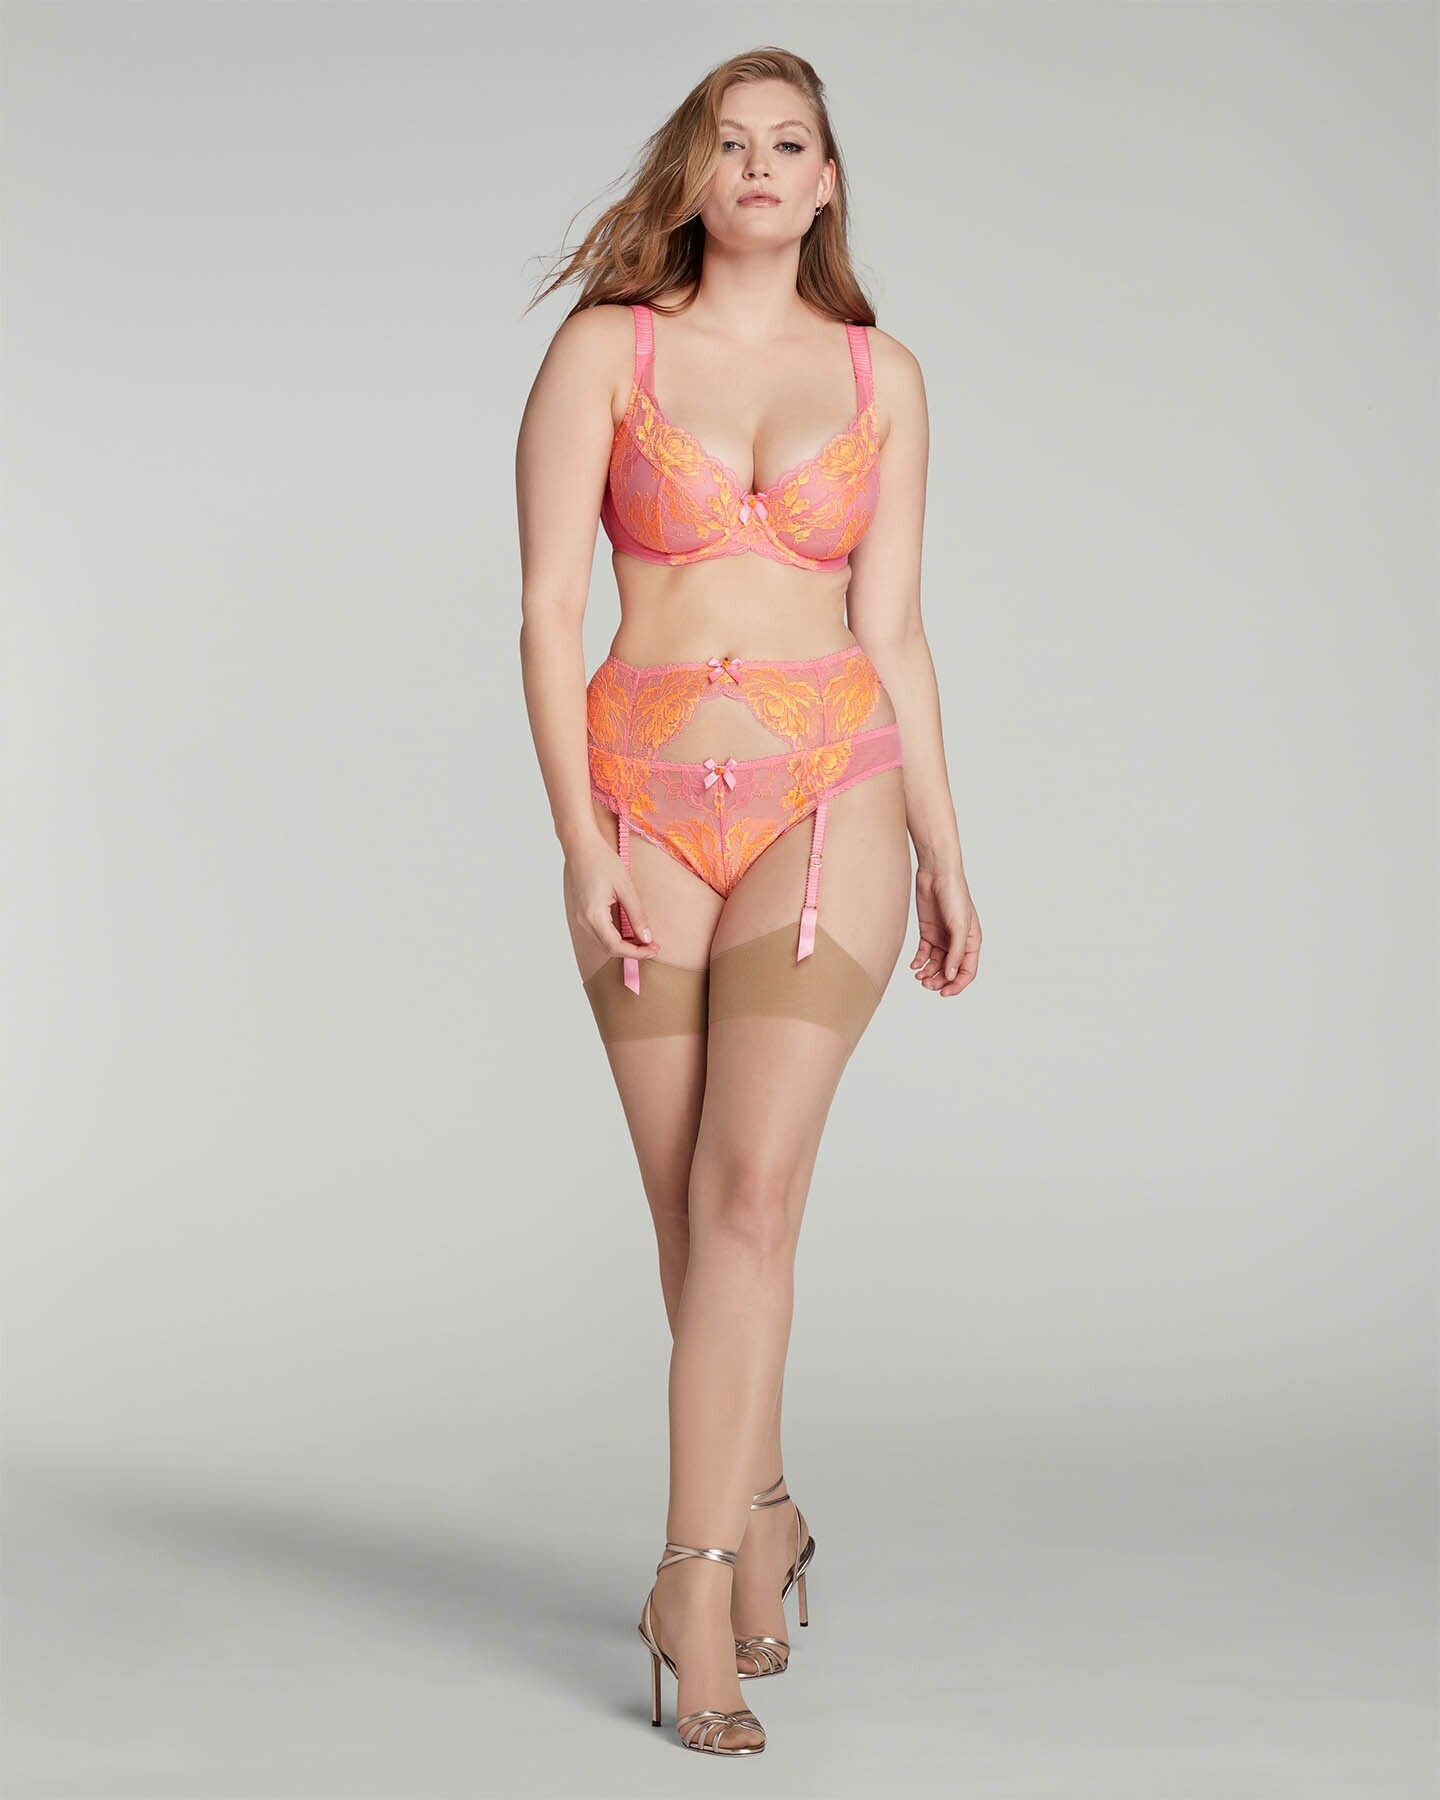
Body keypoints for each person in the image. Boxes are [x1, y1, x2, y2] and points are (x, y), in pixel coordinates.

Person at [515, 46, 980, 1757]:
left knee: (751, 1194)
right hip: (640, 800)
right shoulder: (606, 352)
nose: (763, 165)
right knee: (688, 1214)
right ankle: (766, 1505)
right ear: (695, 174)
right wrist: (580, 846)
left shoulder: (883, 376)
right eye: (732, 142)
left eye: (792, 143)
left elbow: (894, 629)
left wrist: (946, 847)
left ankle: (692, 1581)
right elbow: (544, 611)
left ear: (828, 180)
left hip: (830, 794)